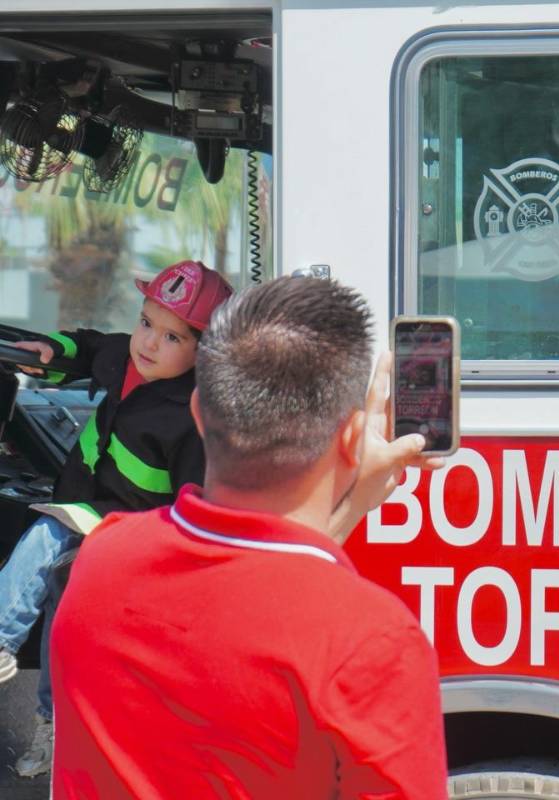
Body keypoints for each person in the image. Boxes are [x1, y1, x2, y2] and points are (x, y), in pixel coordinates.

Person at [51, 277, 449, 798]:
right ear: (351, 438)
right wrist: (352, 499)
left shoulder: (100, 562)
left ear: (197, 412)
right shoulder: (373, 643)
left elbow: (235, 596)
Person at [0, 259, 233, 778]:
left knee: (47, 532)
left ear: (204, 353)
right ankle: (52, 724)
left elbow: (198, 504)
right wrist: (50, 351)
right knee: (61, 608)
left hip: (135, 530)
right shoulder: (123, 361)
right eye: (146, 323)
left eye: (172, 337)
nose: (148, 343)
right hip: (89, 508)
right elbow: (85, 346)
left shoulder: (192, 416)